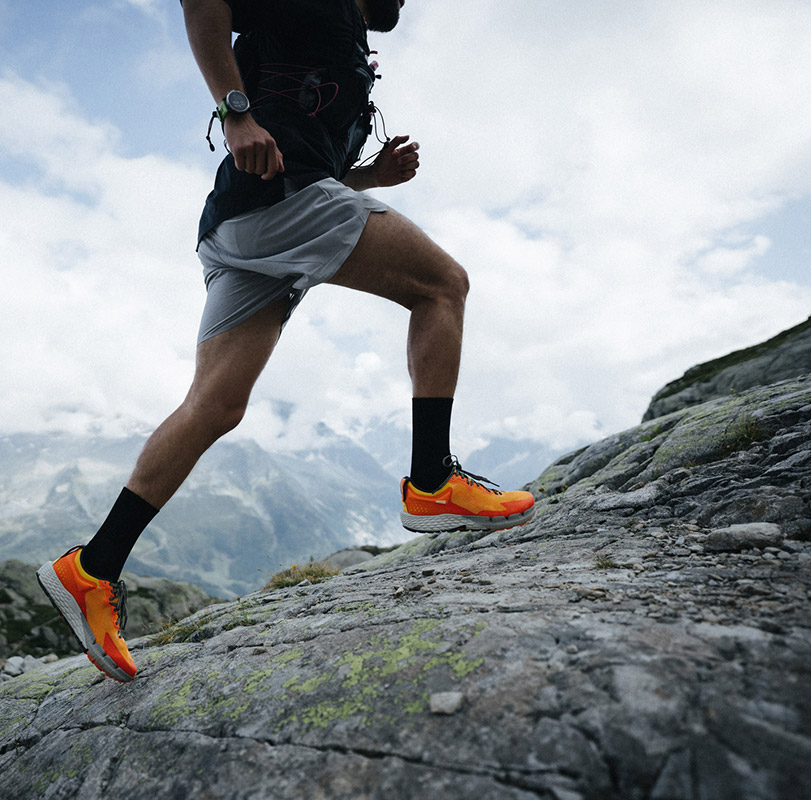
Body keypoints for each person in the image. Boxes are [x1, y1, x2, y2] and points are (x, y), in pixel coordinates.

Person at [36, 0, 536, 684]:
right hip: (278, 208)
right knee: (442, 286)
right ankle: (432, 481)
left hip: (241, 226)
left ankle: (91, 569)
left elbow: (303, 149)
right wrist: (235, 113)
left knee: (214, 407)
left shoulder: (344, 45)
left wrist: (368, 179)